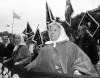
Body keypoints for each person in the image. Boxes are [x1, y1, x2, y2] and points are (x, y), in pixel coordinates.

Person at [25, 21, 98, 77]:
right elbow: (36, 62)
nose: (52, 32)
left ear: (61, 32)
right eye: (50, 30)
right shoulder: (45, 48)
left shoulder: (71, 46)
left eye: (55, 30)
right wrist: (25, 68)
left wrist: (77, 71)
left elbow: (81, 61)